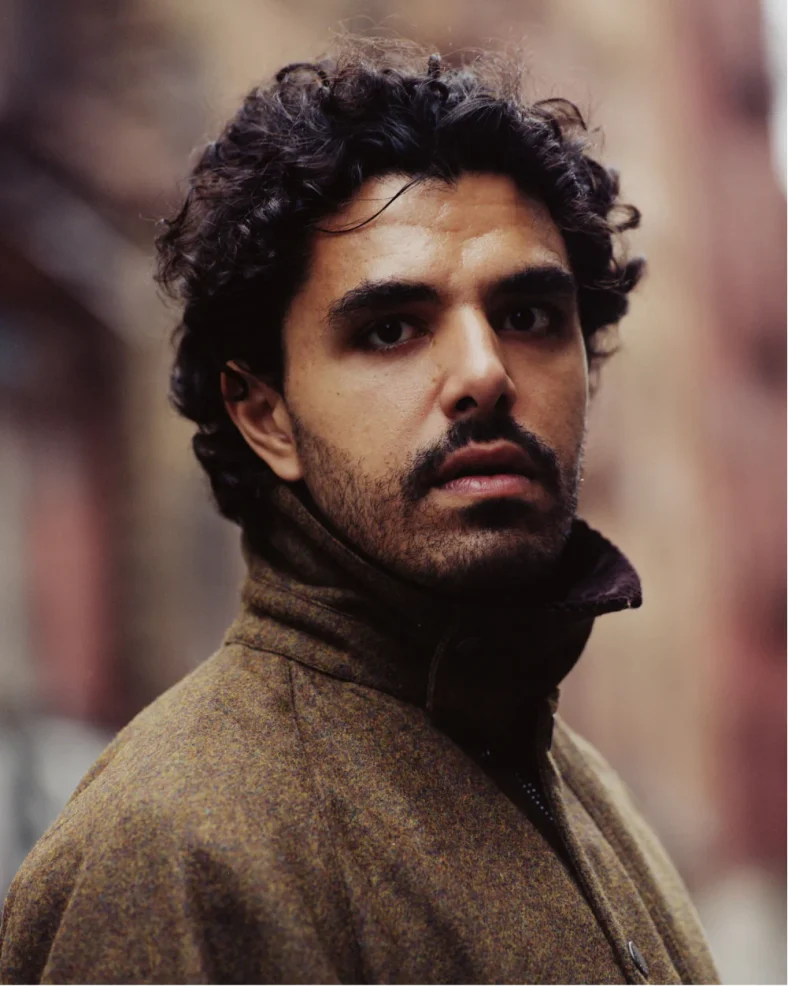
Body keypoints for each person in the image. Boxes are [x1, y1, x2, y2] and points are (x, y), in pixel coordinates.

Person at [0, 39, 720, 985]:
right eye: (390, 329)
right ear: (266, 414)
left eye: (528, 316)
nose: (484, 373)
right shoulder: (178, 854)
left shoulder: (578, 784)